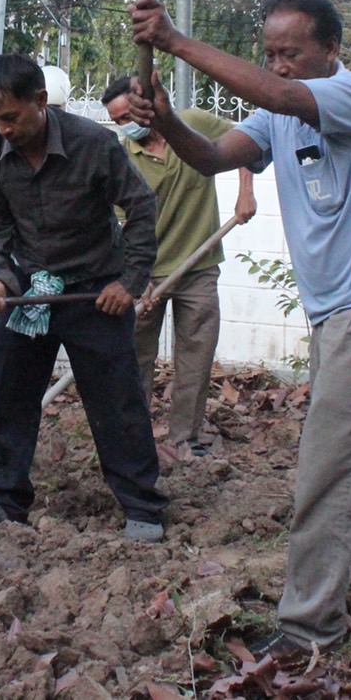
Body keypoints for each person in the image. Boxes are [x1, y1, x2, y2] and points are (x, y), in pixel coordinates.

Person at [127, 0, 351, 661]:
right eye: (271, 55)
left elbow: (288, 98)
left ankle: (308, 626)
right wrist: (171, 120)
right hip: (341, 314)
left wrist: (174, 42)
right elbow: (211, 158)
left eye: (292, 53)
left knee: (329, 463)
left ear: (330, 50)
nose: (280, 67)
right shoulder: (275, 120)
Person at [0, 53, 169, 542]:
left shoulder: (95, 144)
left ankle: (142, 506)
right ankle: (2, 500)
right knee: (9, 393)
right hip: (31, 293)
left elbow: (140, 207)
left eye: (11, 117)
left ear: (41, 102)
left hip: (94, 294)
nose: (3, 128)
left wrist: (128, 283)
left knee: (117, 401)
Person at [100, 75, 257, 457]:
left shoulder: (194, 124)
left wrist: (245, 193)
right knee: (135, 358)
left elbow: (249, 144)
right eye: (117, 121)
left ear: (144, 106)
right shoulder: (123, 157)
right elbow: (122, 229)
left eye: (127, 116)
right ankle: (133, 440)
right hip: (148, 273)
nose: (126, 126)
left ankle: (184, 437)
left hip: (199, 264)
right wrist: (136, 279)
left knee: (196, 356)